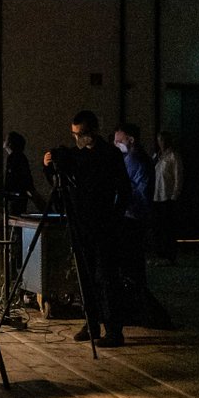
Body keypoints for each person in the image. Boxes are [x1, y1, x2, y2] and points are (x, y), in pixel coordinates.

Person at [43, 110, 129, 347]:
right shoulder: (75, 156)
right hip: (81, 227)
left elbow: (124, 192)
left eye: (80, 134)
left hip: (104, 228)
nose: (77, 139)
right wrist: (49, 167)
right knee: (86, 277)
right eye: (74, 134)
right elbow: (59, 184)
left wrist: (113, 219)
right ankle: (91, 323)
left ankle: (113, 330)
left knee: (107, 279)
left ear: (92, 132)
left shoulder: (110, 155)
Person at [114, 122, 175, 330]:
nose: (116, 144)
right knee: (134, 268)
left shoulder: (133, 160)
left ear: (130, 140)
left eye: (119, 141)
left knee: (131, 269)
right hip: (137, 218)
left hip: (132, 219)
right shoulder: (139, 159)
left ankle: (141, 311)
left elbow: (128, 191)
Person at [152, 130, 183, 263]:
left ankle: (170, 255)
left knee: (168, 228)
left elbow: (178, 176)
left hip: (168, 196)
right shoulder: (158, 155)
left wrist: (175, 195)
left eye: (162, 140)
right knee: (158, 227)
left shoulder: (173, 156)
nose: (160, 143)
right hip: (156, 195)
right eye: (159, 140)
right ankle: (161, 254)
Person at [3, 131, 47, 216]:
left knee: (15, 216)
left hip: (16, 194)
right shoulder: (21, 156)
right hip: (21, 193)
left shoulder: (13, 157)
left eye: (6, 139)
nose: (4, 141)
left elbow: (13, 177)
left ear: (10, 143)